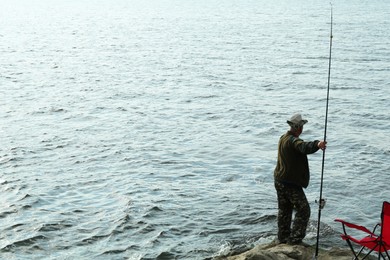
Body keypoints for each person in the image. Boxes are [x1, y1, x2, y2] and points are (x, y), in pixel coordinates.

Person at [273, 113, 326, 245]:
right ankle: (295, 240)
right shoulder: (292, 141)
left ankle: (283, 238)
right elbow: (303, 146)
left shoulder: (283, 138)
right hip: (290, 183)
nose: (302, 129)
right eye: (301, 126)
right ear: (297, 127)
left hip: (279, 180)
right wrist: (317, 144)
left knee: (284, 209)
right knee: (304, 210)